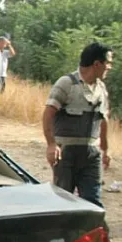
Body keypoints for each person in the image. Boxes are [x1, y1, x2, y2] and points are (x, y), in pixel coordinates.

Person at [42, 42, 112, 210]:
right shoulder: (67, 83)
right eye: (107, 63)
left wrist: (105, 149)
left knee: (92, 202)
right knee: (63, 200)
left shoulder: (101, 88)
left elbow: (103, 119)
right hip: (66, 154)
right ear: (97, 64)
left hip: (91, 154)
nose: (110, 67)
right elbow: (48, 114)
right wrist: (51, 144)